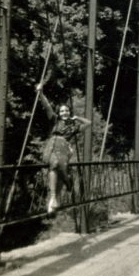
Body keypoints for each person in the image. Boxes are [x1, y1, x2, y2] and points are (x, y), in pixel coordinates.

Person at [36, 83, 91, 214]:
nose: (64, 112)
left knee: (57, 169)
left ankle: (56, 197)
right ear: (59, 113)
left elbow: (89, 123)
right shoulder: (55, 120)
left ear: (69, 112)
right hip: (53, 145)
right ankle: (59, 193)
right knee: (55, 166)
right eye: (62, 111)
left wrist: (77, 118)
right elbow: (47, 106)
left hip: (64, 148)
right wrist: (40, 93)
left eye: (66, 110)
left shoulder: (73, 126)